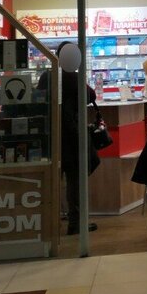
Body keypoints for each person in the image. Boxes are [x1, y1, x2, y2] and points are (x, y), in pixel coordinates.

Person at [39, 43, 98, 235]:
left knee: (52, 180)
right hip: (72, 137)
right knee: (75, 181)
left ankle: (50, 223)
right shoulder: (73, 77)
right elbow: (91, 95)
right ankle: (76, 221)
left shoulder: (47, 76)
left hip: (51, 134)